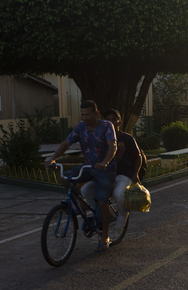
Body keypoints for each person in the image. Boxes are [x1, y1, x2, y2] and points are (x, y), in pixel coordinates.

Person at [44, 100, 117, 253]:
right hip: (88, 167)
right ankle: (81, 204)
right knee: (65, 177)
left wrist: (105, 162)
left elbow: (113, 145)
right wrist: (53, 158)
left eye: (88, 114)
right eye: (82, 114)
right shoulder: (80, 127)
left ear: (96, 113)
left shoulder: (106, 126)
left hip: (105, 169)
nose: (85, 118)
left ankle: (105, 236)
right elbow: (66, 143)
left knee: (102, 202)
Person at [81, 109, 142, 237]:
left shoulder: (127, 138)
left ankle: (122, 213)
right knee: (86, 190)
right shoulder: (100, 137)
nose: (111, 122)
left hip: (122, 175)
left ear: (119, 122)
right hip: (104, 174)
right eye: (108, 119)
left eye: (114, 119)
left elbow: (138, 156)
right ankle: (106, 214)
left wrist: (135, 174)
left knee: (118, 194)